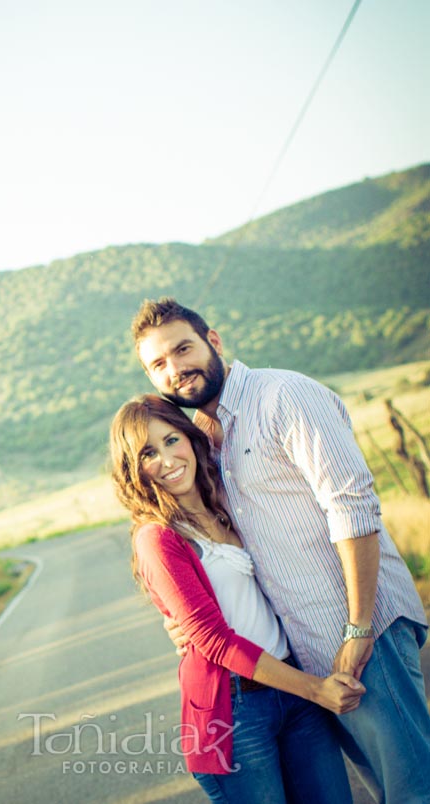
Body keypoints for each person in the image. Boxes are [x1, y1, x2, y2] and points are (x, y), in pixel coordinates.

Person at [130, 296, 430, 804]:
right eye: (158, 364)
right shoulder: (206, 439)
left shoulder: (282, 396)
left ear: (214, 342)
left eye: (183, 349)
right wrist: (186, 615)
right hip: (308, 656)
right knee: (387, 791)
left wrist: (358, 628)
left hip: (361, 634)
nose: (176, 369)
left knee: (413, 788)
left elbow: (352, 507)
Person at [110, 394, 364, 804]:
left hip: (292, 687)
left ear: (191, 439)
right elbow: (213, 640)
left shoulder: (226, 506)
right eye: (148, 453)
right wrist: (316, 689)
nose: (167, 459)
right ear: (133, 469)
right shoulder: (158, 537)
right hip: (233, 713)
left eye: (171, 440)